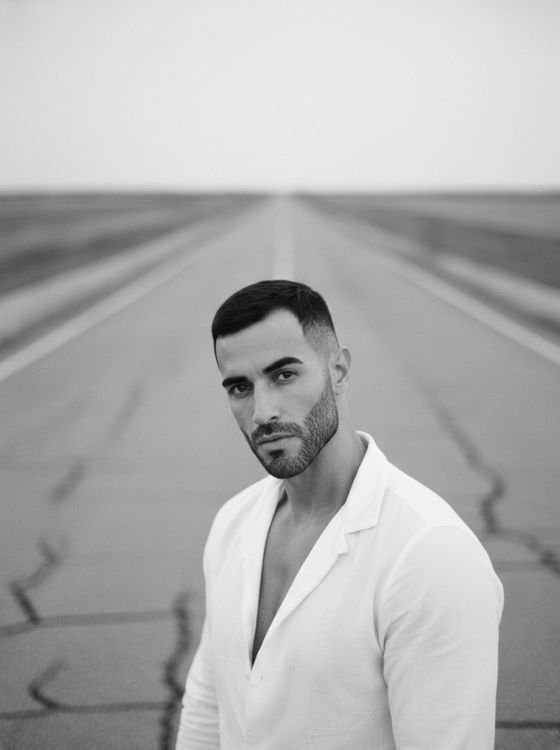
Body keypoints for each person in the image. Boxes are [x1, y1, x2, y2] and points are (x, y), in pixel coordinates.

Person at [175, 279, 504, 750]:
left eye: (284, 375)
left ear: (339, 371)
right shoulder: (233, 523)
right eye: (240, 387)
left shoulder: (430, 554)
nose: (262, 412)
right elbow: (209, 709)